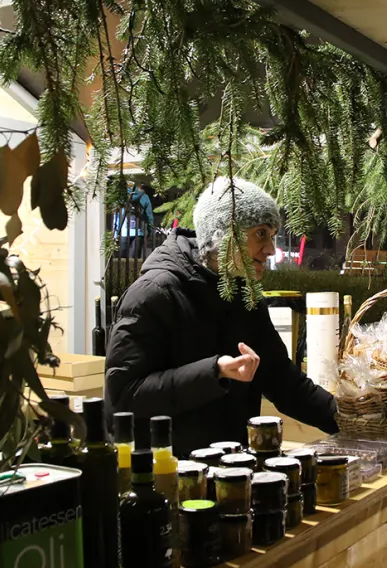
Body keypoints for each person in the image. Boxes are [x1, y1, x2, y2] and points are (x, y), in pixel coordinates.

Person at [104, 177, 339, 454]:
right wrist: (213, 372)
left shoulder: (244, 296)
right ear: (224, 234)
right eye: (261, 234)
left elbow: (282, 380)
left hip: (232, 476)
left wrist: (349, 418)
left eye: (272, 235)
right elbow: (124, 396)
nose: (271, 249)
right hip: (168, 481)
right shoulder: (154, 293)